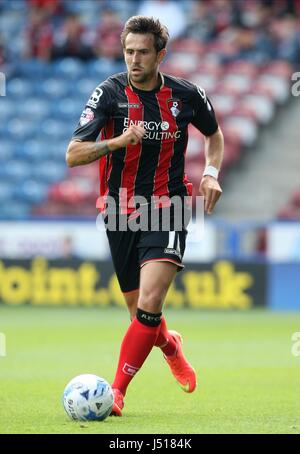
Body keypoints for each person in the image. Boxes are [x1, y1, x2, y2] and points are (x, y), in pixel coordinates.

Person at [66, 16, 224, 416]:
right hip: (120, 210)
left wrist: (210, 173)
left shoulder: (187, 96)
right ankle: (171, 345)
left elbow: (215, 135)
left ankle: (116, 393)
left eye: (143, 52)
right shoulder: (107, 94)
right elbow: (73, 155)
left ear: (160, 55)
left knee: (151, 300)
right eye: (129, 51)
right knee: (141, 313)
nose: (134, 59)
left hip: (168, 206)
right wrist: (118, 139)